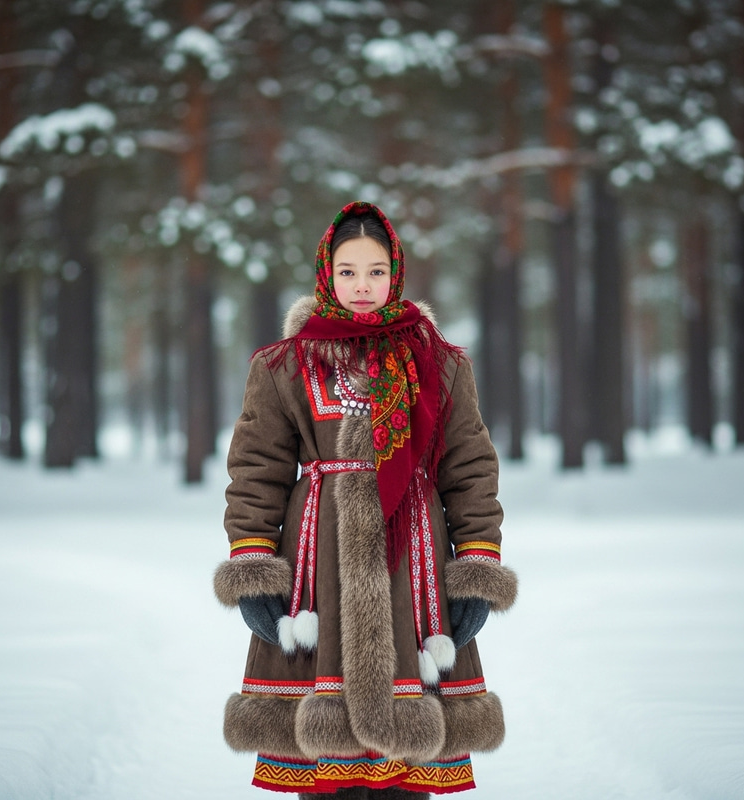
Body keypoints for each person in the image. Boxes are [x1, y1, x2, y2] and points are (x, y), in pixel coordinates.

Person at [214, 200, 517, 799]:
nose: (362, 286)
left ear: (396, 273)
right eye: (348, 271)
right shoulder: (284, 364)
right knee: (323, 776)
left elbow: (471, 471)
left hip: (416, 568)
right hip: (316, 567)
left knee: (410, 772)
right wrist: (253, 570)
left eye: (375, 271)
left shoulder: (441, 363)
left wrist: (478, 567)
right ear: (327, 274)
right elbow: (256, 470)